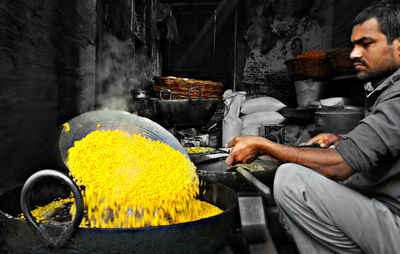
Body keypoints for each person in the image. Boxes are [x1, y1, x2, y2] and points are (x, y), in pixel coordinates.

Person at [225, 2, 400, 253]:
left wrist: (265, 145)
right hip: (383, 211)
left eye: (366, 44)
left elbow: (340, 165)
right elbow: (385, 142)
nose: (353, 54)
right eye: (353, 45)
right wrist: (343, 138)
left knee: (291, 179)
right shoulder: (385, 88)